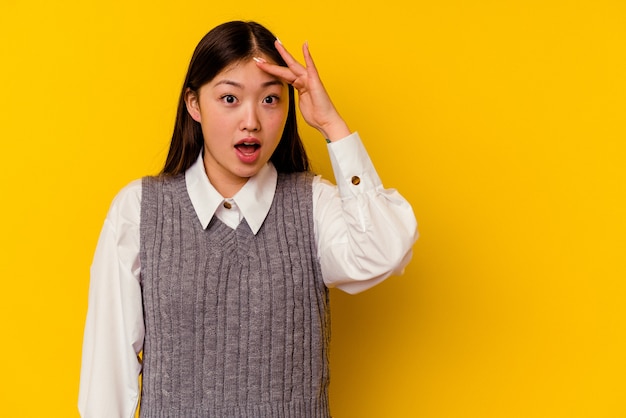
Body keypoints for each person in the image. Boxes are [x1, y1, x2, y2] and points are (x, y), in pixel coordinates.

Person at [78, 20, 418, 418]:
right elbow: (107, 374)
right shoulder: (138, 210)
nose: (251, 120)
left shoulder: (312, 206)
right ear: (194, 104)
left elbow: (384, 252)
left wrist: (332, 126)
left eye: (270, 100)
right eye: (229, 99)